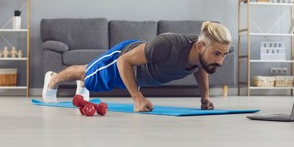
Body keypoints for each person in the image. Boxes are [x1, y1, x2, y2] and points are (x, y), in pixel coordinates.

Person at [42, 21, 232, 112]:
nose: (220, 61)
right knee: (87, 72)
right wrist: (137, 98)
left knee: (90, 78)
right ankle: (53, 79)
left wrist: (205, 97)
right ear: (200, 46)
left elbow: (201, 67)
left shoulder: (201, 54)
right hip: (124, 58)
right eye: (216, 54)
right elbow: (123, 61)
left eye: (224, 54)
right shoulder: (168, 44)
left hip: (138, 70)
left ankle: (84, 83)